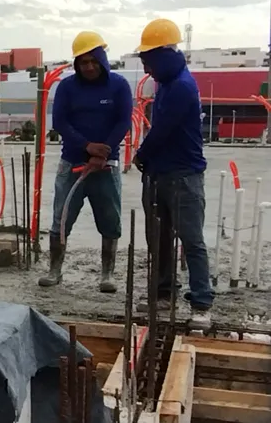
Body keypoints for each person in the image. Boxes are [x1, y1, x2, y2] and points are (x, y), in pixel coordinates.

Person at [132, 18, 214, 328]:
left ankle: (202, 304)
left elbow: (163, 130)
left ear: (165, 53)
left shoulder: (181, 86)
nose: (145, 67)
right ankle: (164, 294)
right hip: (160, 174)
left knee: (191, 240)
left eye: (148, 60)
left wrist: (142, 154)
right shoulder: (165, 82)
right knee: (160, 240)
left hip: (183, 175)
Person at [38, 31, 133, 292]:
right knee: (61, 218)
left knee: (110, 219)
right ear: (76, 64)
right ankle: (55, 270)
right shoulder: (68, 87)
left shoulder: (119, 86)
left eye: (93, 61)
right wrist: (87, 146)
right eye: (83, 62)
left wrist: (103, 152)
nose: (89, 66)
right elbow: (60, 122)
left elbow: (123, 121)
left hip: (106, 167)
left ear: (102, 59)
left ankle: (107, 275)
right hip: (72, 165)